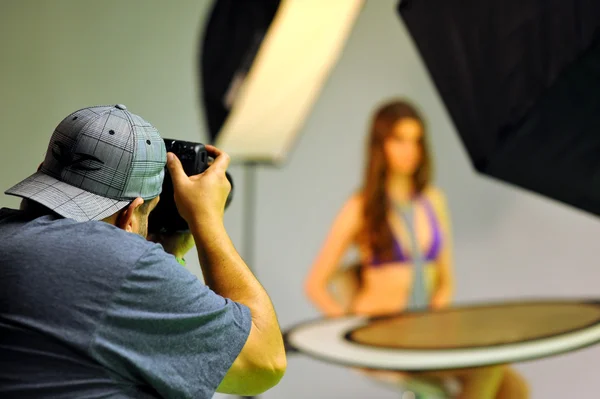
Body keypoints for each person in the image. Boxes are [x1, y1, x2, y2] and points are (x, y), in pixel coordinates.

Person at [0, 104, 286, 398]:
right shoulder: (120, 263)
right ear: (130, 213)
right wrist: (205, 219)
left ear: (42, 174)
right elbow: (264, 363)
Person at [304, 99, 529, 399]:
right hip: (382, 338)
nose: (410, 150)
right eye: (399, 140)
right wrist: (352, 330)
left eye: (416, 141)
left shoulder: (433, 200)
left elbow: (446, 279)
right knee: (481, 373)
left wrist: (436, 320)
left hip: (426, 333)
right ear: (380, 145)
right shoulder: (361, 208)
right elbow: (315, 284)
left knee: (512, 388)